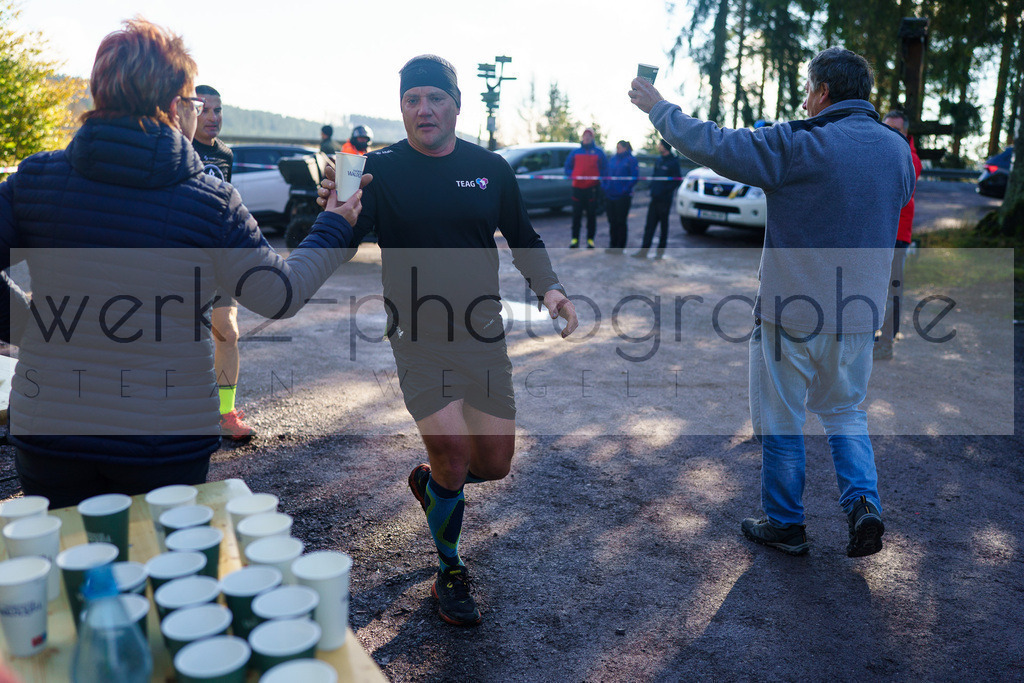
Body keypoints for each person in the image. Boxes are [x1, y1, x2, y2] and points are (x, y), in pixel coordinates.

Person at [0, 18, 369, 508]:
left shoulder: (35, 179)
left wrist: (28, 326)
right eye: (195, 103)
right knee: (161, 570)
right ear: (176, 106)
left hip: (50, 431)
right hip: (165, 439)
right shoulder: (210, 201)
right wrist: (334, 226)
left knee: (72, 571)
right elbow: (278, 295)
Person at [316, 54, 578, 626]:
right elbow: (346, 228)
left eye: (434, 98)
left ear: (455, 105)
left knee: (496, 462)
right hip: (417, 336)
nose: (423, 109)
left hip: (482, 334)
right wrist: (334, 212)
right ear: (402, 109)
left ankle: (436, 486)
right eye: (412, 100)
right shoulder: (378, 170)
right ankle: (450, 569)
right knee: (456, 456)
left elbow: (524, 235)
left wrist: (552, 291)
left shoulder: (490, 168)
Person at [630, 46, 914, 558]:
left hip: (792, 313)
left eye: (809, 90)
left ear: (823, 92)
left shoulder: (800, 143)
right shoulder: (896, 149)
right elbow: (899, 196)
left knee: (784, 419)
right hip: (858, 316)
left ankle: (785, 524)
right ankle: (863, 504)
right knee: (846, 413)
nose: (806, 101)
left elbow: (716, 145)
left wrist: (659, 109)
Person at [192, 85, 254, 441]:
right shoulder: (177, 150)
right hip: (181, 260)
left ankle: (224, 413)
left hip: (220, 261)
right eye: (205, 110)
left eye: (218, 111)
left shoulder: (226, 154)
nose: (213, 117)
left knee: (227, 333)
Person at [875, 110, 922, 360]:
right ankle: (875, 338)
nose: (891, 134)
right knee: (874, 286)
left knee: (892, 288)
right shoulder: (882, 152)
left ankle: (886, 343)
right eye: (887, 128)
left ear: (906, 133)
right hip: (877, 233)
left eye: (897, 130)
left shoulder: (910, 158)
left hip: (897, 234)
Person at [633, 140, 682, 259]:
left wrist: (665, 191)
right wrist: (652, 188)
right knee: (649, 226)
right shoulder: (659, 160)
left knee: (663, 227)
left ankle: (659, 253)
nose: (658, 147)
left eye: (660, 145)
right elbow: (655, 176)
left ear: (665, 147)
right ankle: (643, 251)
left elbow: (677, 180)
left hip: (664, 200)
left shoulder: (673, 162)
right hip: (654, 198)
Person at [564, 127, 607, 248]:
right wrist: (572, 175)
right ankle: (575, 239)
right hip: (577, 188)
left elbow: (605, 168)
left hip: (592, 188)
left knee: (591, 215)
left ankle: (590, 240)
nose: (586, 138)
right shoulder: (575, 152)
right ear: (582, 137)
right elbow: (567, 166)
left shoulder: (599, 152)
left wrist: (601, 181)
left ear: (592, 138)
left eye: (589, 136)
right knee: (576, 215)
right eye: (585, 136)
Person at [601, 140, 638, 254]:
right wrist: (605, 187)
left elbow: (634, 177)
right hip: (610, 195)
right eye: (616, 147)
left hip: (623, 197)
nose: (617, 150)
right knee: (612, 221)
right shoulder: (613, 159)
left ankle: (620, 247)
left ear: (625, 148)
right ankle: (612, 245)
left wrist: (624, 190)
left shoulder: (631, 160)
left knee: (620, 221)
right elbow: (606, 174)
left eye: (619, 147)